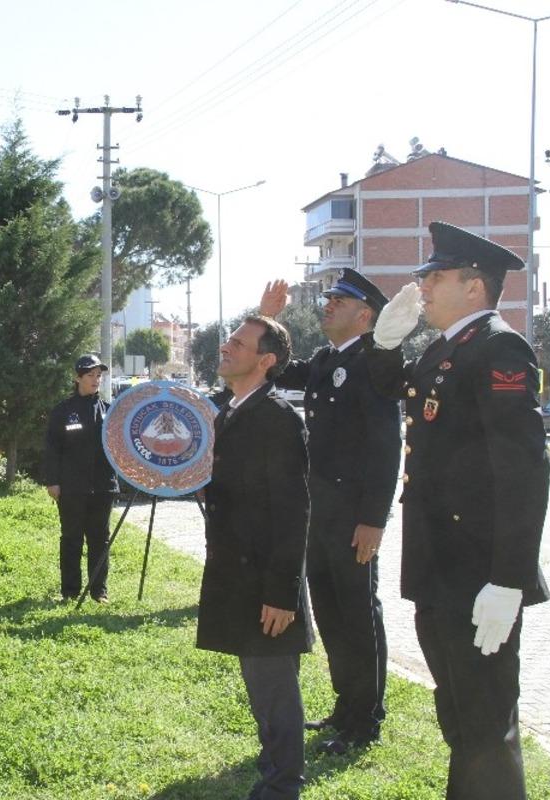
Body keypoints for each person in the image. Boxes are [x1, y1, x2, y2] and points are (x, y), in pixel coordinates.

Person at [365, 221, 550, 800]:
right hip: (441, 567)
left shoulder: (499, 348)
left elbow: (524, 472)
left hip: (476, 572)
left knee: (485, 723)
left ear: (474, 286)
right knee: (461, 717)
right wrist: (384, 345)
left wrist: (509, 579)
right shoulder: (447, 347)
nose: (422, 285)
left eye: (436, 276)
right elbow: (393, 393)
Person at [258, 269, 400, 754]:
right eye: (329, 298)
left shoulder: (374, 362)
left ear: (365, 314)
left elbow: (386, 446)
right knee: (332, 614)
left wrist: (373, 520)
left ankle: (365, 720)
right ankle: (346, 706)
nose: (327, 304)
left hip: (354, 518)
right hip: (319, 513)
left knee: (358, 614)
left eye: (339, 300)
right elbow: (275, 368)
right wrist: (267, 320)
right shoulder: (325, 359)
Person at [197, 316, 312, 800]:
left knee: (274, 688)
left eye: (239, 343)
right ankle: (273, 772)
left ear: (265, 361)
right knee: (262, 689)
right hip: (239, 574)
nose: (226, 347)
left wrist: (282, 594)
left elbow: (293, 511)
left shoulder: (278, 418)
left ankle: (283, 786)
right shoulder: (231, 411)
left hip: (266, 581)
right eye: (229, 339)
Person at [42, 354, 118, 602]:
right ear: (77, 378)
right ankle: (70, 592)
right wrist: (52, 481)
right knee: (71, 538)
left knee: (100, 540)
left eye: (99, 375)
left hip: (103, 487)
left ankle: (99, 591)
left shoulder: (109, 411)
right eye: (90, 375)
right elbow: (52, 448)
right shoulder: (63, 411)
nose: (96, 380)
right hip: (72, 487)